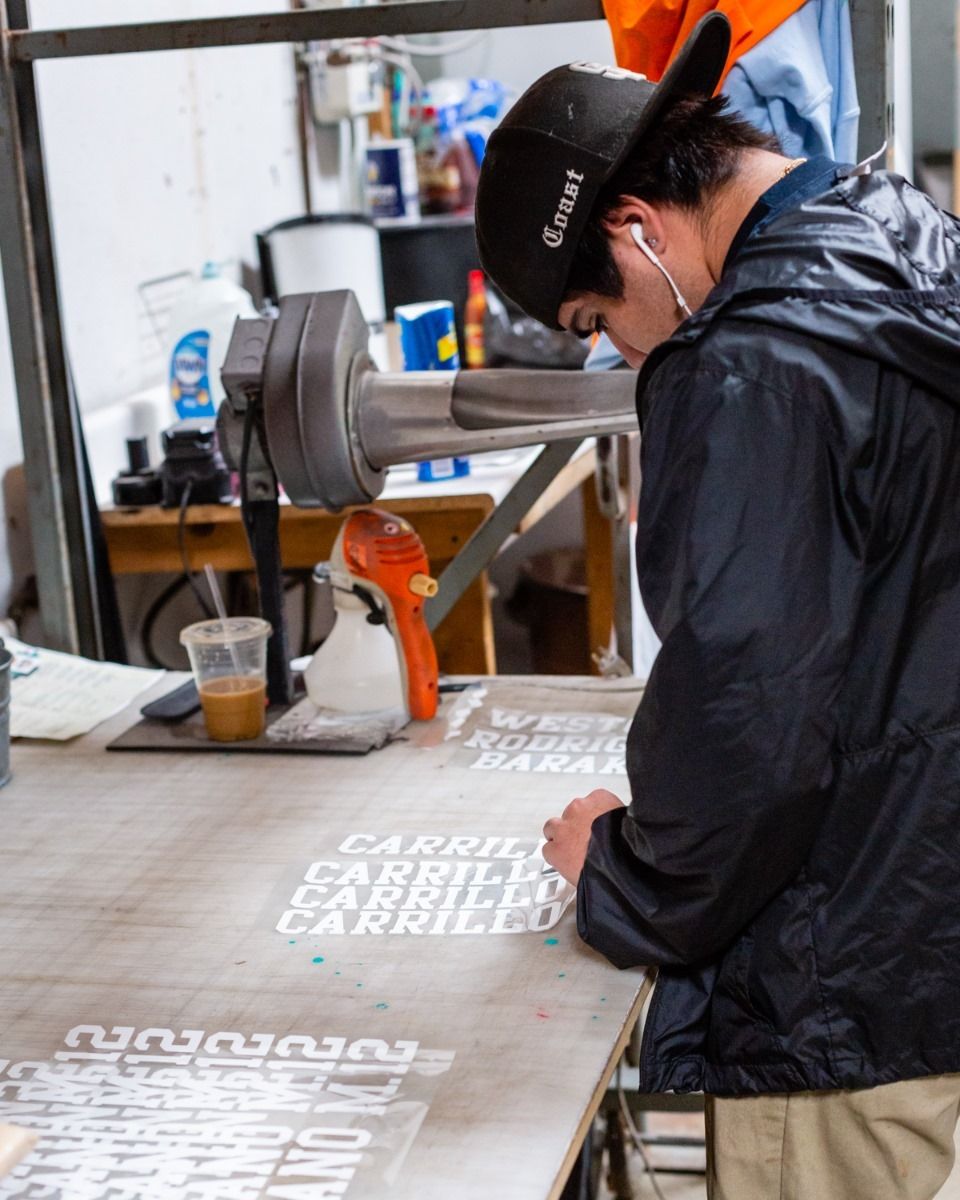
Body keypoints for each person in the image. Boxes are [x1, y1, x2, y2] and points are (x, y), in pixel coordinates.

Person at [474, 12, 960, 1200]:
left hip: (834, 986)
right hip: (927, 908)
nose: (630, 355)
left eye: (600, 325)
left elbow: (751, 718)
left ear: (637, 234)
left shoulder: (750, 367)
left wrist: (622, 875)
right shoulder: (903, 230)